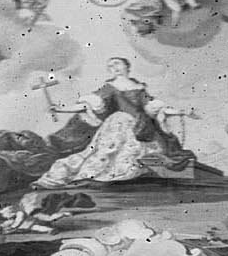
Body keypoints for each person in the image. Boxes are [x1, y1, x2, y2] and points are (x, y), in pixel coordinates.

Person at [35, 60, 207, 188]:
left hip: (141, 127)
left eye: (117, 64)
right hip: (117, 124)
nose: (114, 67)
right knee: (105, 153)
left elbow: (155, 107)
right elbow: (87, 105)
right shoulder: (109, 88)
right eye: (110, 66)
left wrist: (183, 112)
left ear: (127, 66)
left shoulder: (139, 88)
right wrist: (61, 109)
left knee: (154, 150)